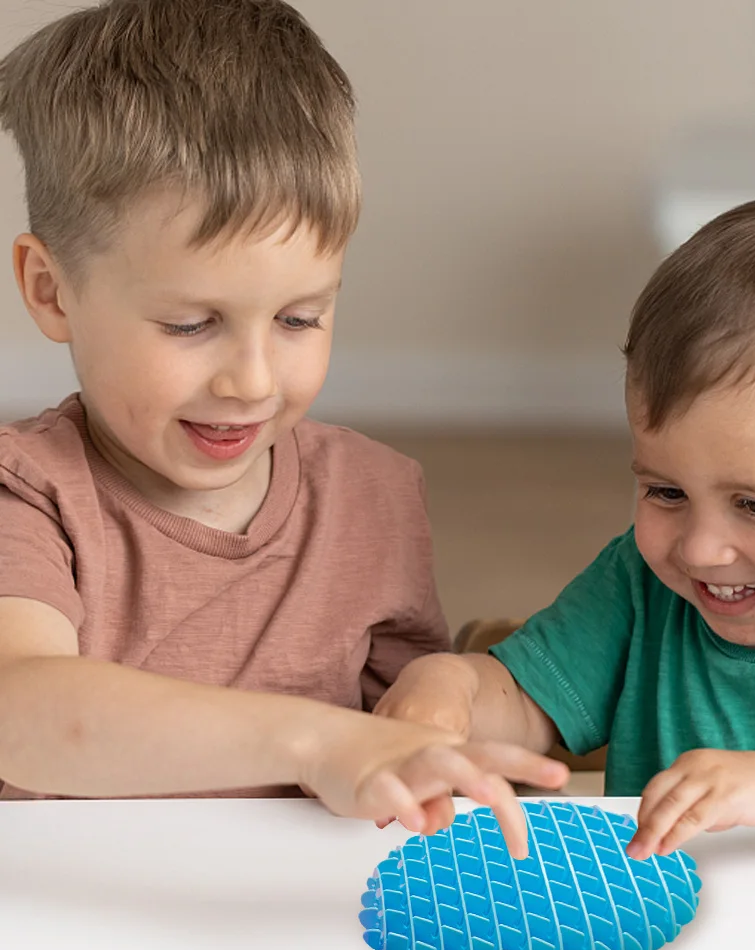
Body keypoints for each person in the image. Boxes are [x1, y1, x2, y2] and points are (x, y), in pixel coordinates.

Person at [0, 0, 566, 859]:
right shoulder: (29, 491)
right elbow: (21, 707)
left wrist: (438, 714)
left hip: (299, 915)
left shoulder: (372, 494)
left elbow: (404, 740)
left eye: (300, 318)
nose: (253, 381)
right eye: (191, 324)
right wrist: (313, 740)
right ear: (51, 290)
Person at [378, 192, 755, 857]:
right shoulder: (638, 582)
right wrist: (453, 687)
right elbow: (525, 706)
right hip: (667, 913)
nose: (700, 550)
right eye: (666, 491)